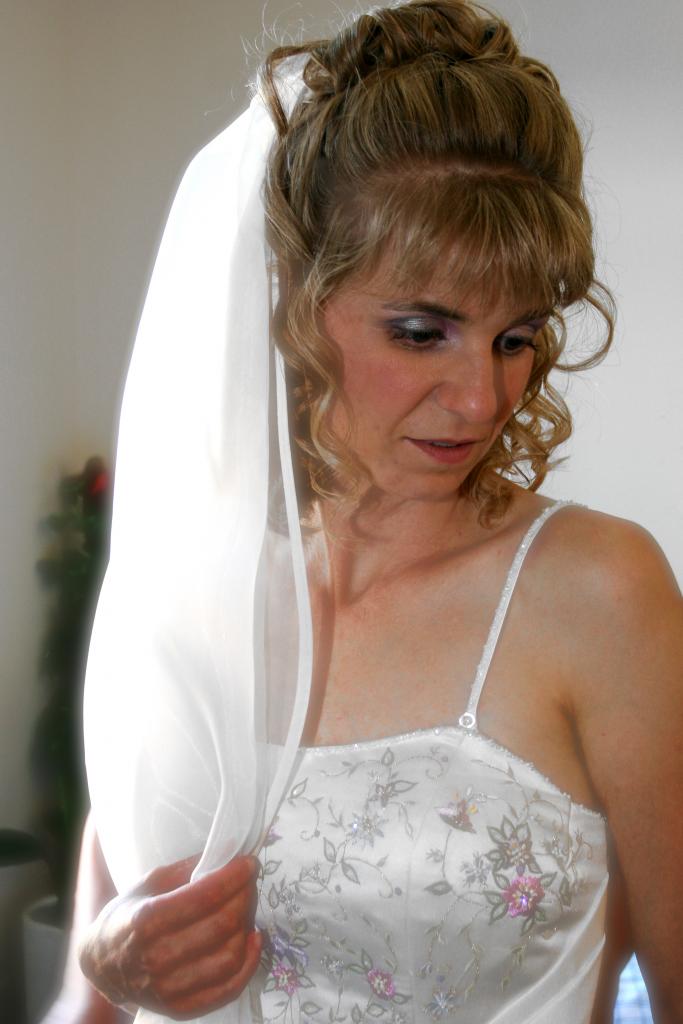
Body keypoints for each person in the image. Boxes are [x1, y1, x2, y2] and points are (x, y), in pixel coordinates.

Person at [47, 1, 682, 1022]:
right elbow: (88, 1003)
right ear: (290, 301)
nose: (482, 399)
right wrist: (106, 958)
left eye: (516, 337)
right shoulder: (185, 597)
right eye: (422, 331)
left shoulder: (599, 592)